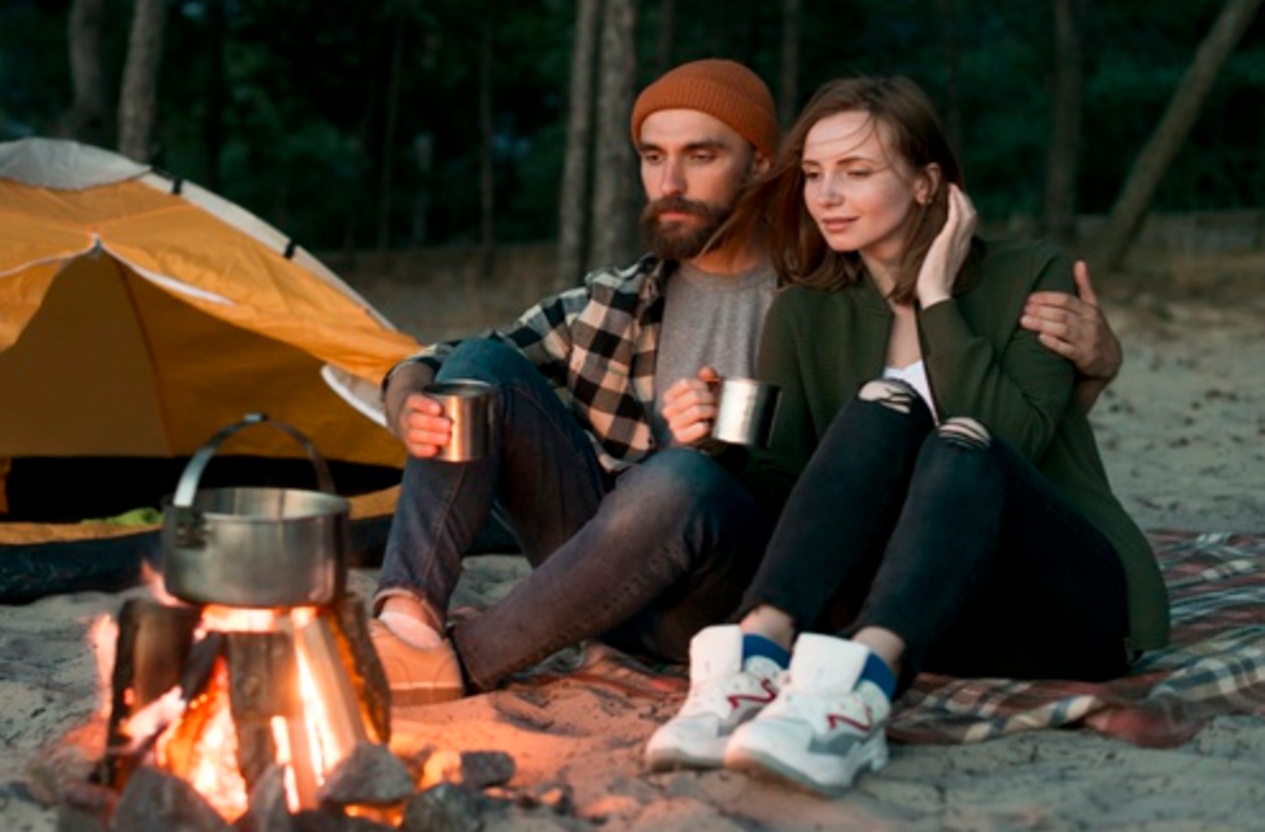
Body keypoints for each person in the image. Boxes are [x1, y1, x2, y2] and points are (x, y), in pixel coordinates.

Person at [370, 60, 1122, 708]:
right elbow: (447, 359)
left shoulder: (820, 288)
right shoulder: (618, 300)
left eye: (700, 155)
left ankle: (463, 664)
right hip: (582, 575)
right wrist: (409, 398)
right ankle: (406, 621)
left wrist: (1088, 376)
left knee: (680, 478)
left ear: (761, 164)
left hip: (730, 580)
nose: (670, 181)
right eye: (653, 156)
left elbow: (922, 438)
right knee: (478, 368)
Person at [643, 76, 1169, 796]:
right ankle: (757, 661)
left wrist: (936, 299)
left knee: (958, 440)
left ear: (928, 184)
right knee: (883, 405)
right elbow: (791, 491)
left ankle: (857, 694)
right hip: (914, 611)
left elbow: (1012, 438)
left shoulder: (1029, 275)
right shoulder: (804, 313)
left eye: (856, 173)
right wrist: (718, 445)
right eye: (816, 174)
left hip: (1055, 604)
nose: (826, 195)